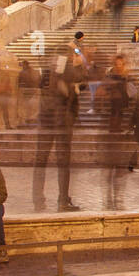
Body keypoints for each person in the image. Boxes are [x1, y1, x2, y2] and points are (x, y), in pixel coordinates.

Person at [32, 54, 87, 212]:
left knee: (42, 161)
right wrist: (79, 66)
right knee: (60, 162)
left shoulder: (48, 72)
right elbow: (81, 79)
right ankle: (61, 200)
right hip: (59, 122)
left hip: (50, 121)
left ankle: (40, 199)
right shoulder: (65, 70)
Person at [103, 56, 139, 209]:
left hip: (124, 127)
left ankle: (119, 198)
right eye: (117, 64)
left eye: (121, 64)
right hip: (111, 127)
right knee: (109, 167)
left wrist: (132, 124)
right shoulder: (108, 81)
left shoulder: (130, 81)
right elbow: (102, 102)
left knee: (121, 166)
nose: (119, 67)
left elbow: (136, 103)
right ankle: (108, 197)